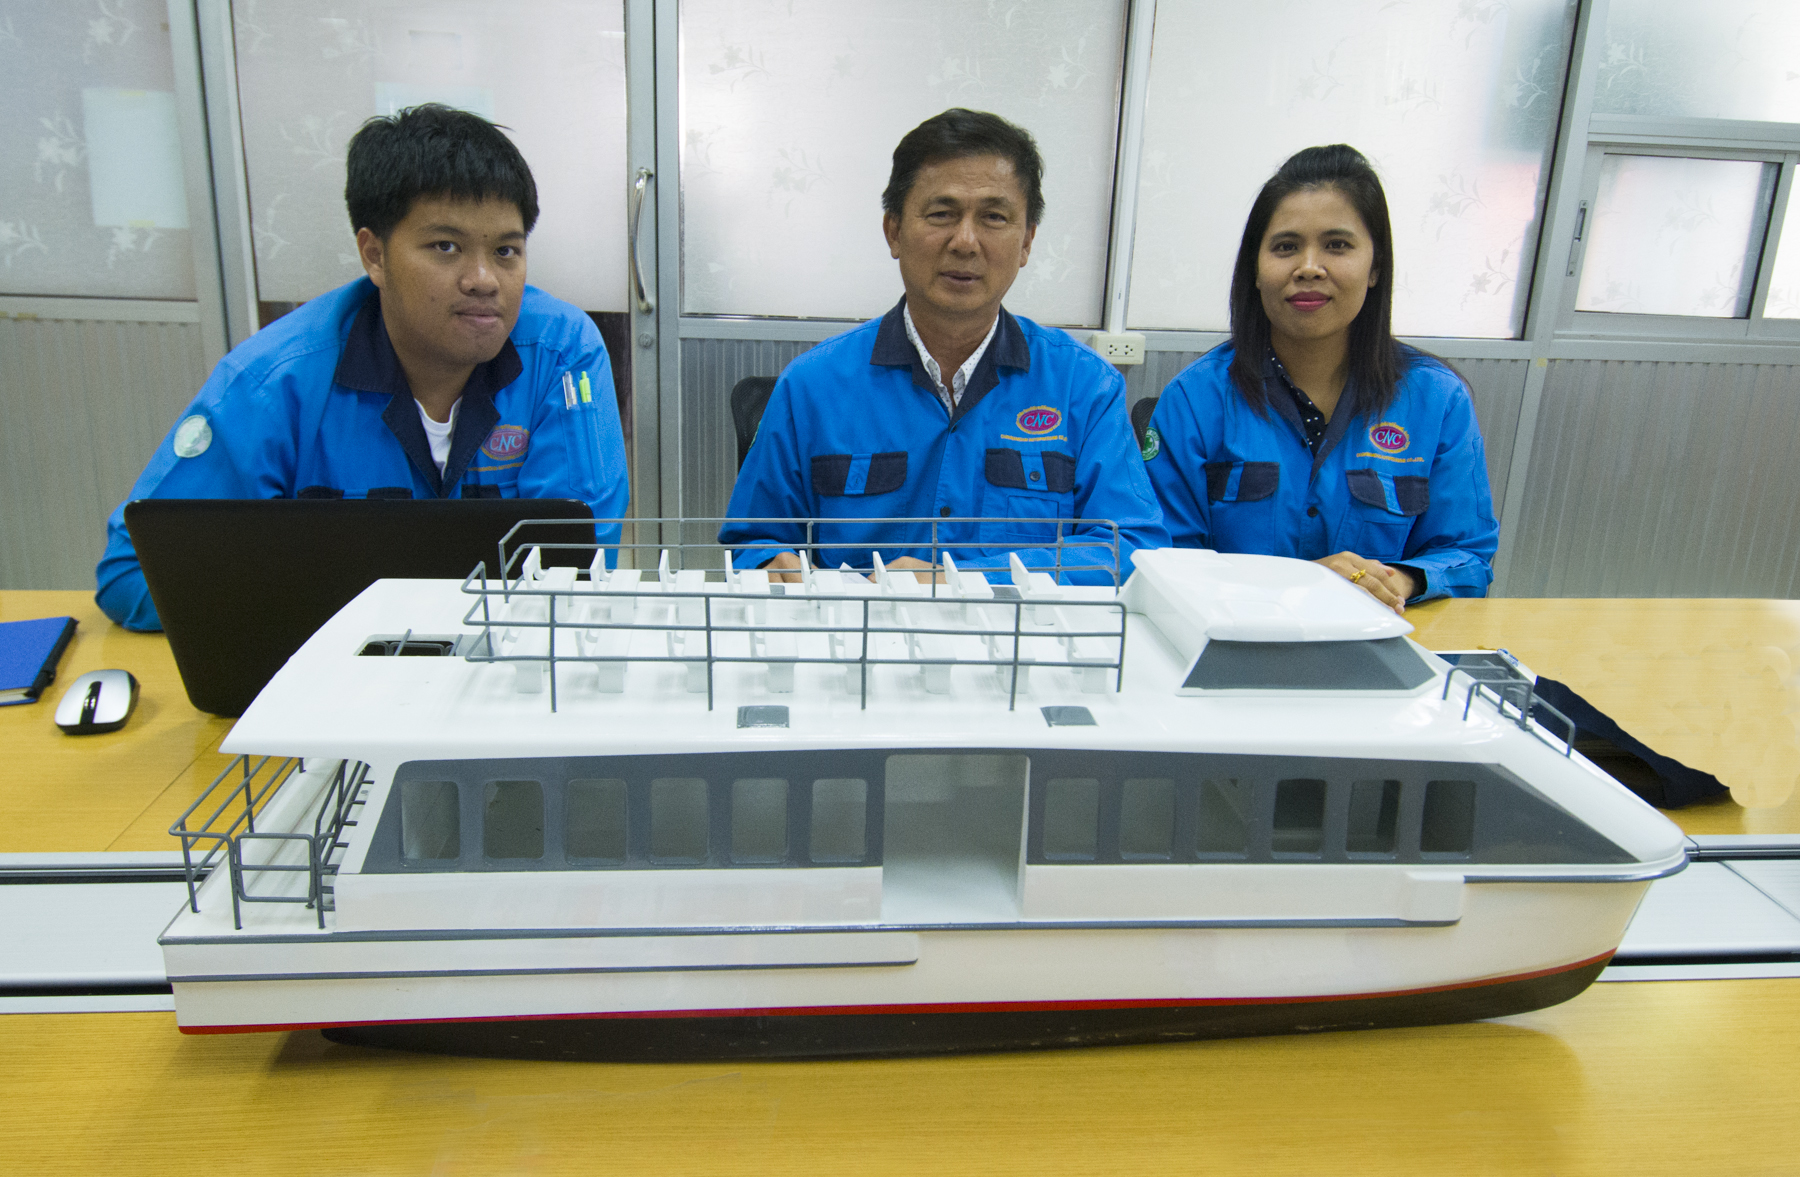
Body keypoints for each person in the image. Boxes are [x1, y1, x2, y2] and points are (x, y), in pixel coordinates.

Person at [94, 104, 629, 631]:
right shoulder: (273, 381)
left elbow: (574, 561)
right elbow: (135, 571)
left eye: (507, 251)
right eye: (446, 246)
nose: (484, 279)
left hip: (501, 679)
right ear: (374, 254)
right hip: (323, 678)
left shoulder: (562, 355)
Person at [719, 108, 1166, 585]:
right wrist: (768, 565)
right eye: (941, 214)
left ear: (1026, 243)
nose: (966, 241)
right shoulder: (812, 386)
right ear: (893, 230)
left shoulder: (1084, 387)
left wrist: (961, 581)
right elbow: (751, 543)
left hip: (1025, 651)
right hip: (861, 649)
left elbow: (1130, 548)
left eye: (994, 217)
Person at [1142, 144, 1497, 611]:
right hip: (1235, 648)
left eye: (1337, 245)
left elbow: (1469, 557)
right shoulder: (1194, 399)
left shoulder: (1438, 400)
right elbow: (1163, 560)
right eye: (1286, 247)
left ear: (1375, 268)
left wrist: (1401, 580)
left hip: (1381, 653)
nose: (1309, 267)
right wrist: (1298, 584)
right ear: (1255, 269)